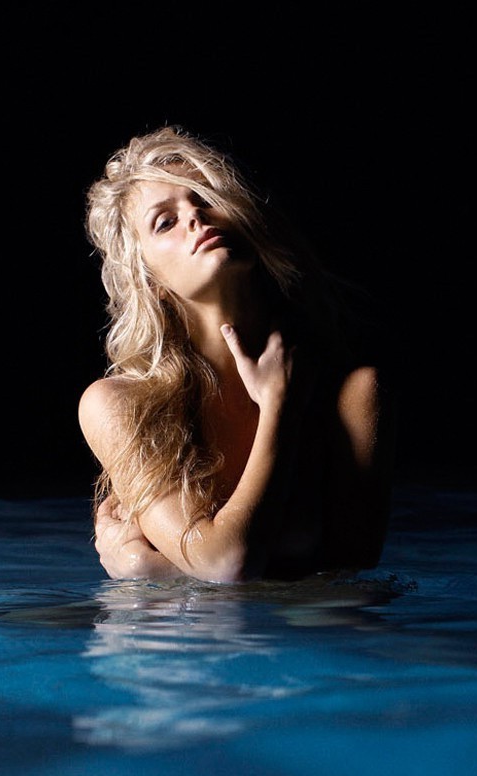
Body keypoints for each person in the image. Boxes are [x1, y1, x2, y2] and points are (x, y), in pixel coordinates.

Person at [78, 124, 392, 583]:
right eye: (165, 221)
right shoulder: (120, 406)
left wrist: (152, 569)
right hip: (165, 648)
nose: (195, 217)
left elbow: (350, 576)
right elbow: (226, 565)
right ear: (149, 279)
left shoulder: (353, 394)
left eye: (206, 198)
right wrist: (279, 411)